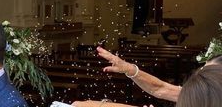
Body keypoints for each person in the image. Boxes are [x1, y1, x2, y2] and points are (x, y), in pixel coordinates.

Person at [93, 46, 222, 103]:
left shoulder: (207, 93)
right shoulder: (199, 93)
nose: (202, 73)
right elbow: (160, 89)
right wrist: (130, 69)